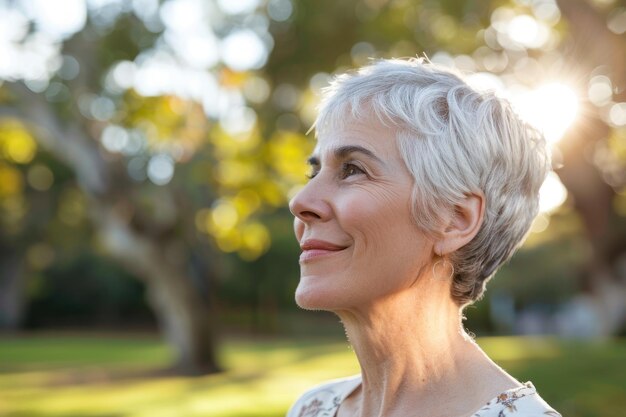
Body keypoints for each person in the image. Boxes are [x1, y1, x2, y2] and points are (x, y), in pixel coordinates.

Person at [286, 58, 561, 417]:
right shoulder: (311, 409)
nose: (299, 202)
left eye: (353, 170)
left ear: (454, 220)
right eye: (315, 171)